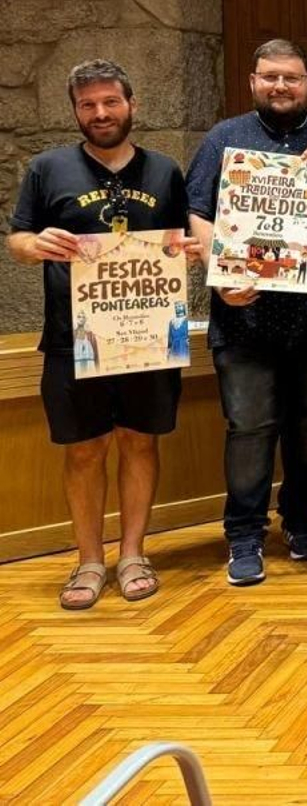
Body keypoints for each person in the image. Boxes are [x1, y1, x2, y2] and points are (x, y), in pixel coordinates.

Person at [7, 59, 196, 609]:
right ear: (75, 112)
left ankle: (134, 553)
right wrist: (35, 244)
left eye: (110, 102)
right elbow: (17, 241)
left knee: (140, 441)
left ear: (131, 105)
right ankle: (89, 562)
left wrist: (190, 250)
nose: (101, 113)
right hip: (73, 337)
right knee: (85, 452)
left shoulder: (164, 171)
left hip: (149, 333)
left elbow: (184, 240)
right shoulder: (48, 169)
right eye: (88, 105)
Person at [186, 38, 307, 587]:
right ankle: (243, 534)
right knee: (249, 427)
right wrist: (222, 275)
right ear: (253, 81)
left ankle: (298, 518)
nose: (280, 86)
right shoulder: (224, 138)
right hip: (245, 318)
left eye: (291, 77)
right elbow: (196, 210)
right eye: (270, 77)